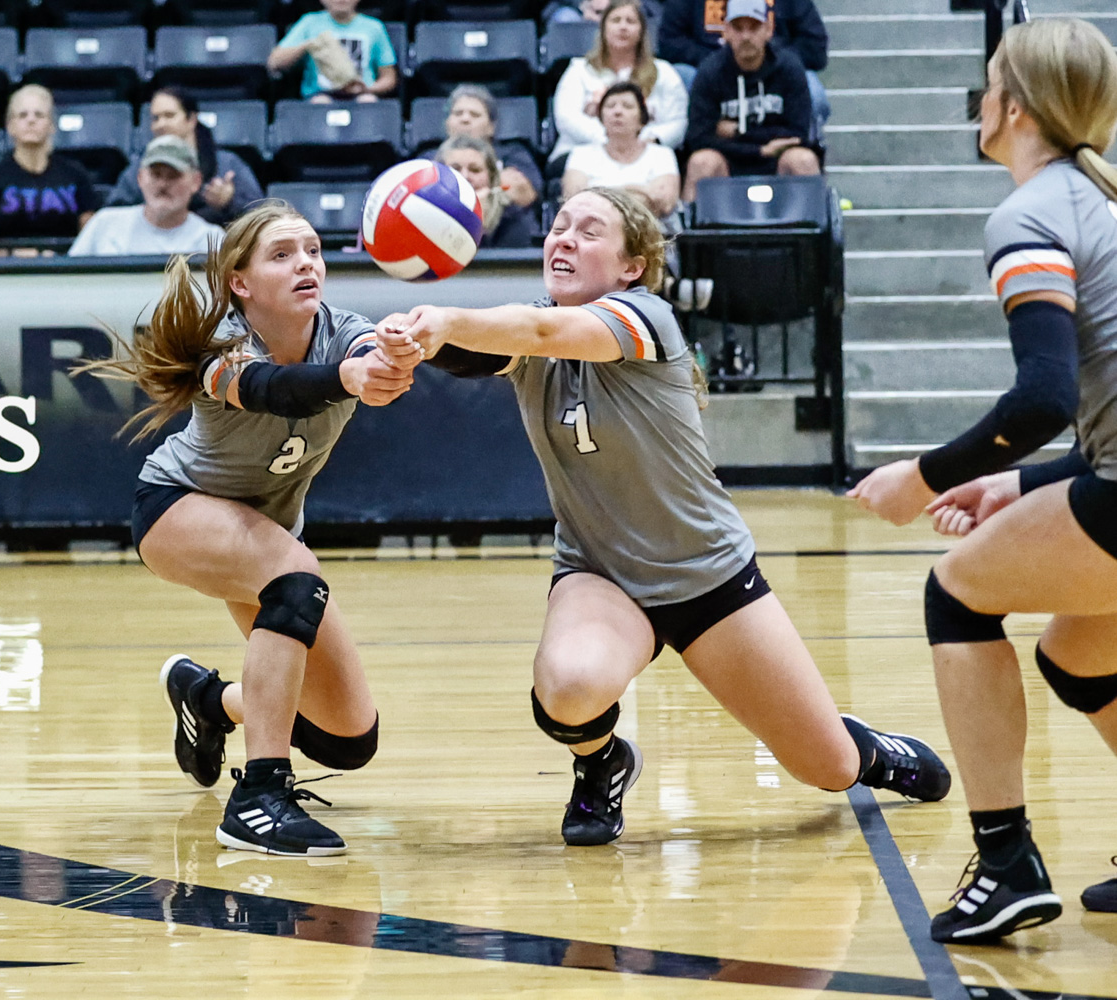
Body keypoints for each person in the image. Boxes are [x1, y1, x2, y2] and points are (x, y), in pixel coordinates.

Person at [377, 187, 951, 849]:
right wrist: (409, 342)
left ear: (632, 267)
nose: (564, 238)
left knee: (827, 769)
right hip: (599, 572)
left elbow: (537, 332)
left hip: (706, 576)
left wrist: (444, 319)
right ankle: (602, 762)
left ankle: (865, 750)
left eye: (588, 231)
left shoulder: (645, 318)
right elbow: (489, 346)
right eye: (559, 226)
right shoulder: (528, 332)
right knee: (571, 687)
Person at [846, 17, 1117, 942]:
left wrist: (920, 479)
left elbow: (1042, 396)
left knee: (956, 594)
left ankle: (1005, 864)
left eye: (990, 85)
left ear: (1016, 108)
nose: (980, 102)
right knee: (1080, 655)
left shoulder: (1031, 213)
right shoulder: (1103, 202)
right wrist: (1023, 485)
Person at [80, 201, 421, 856]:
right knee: (296, 575)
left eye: (313, 251)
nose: (305, 264)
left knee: (348, 738)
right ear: (240, 281)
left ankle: (210, 700)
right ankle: (258, 798)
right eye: (282, 255)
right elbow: (269, 388)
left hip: (267, 534)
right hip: (177, 508)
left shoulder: (345, 331)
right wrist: (350, 378)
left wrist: (391, 363)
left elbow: (367, 356)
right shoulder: (220, 340)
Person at [681, 0, 820, 204]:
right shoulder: (709, 72)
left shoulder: (789, 69)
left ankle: (811, 222)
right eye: (738, 28)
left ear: (769, 29)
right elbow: (698, 138)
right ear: (726, 31)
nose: (746, 36)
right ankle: (689, 224)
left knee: (803, 160)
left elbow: (797, 134)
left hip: (777, 158)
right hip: (728, 158)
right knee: (701, 162)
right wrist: (759, 148)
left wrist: (738, 132)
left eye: (754, 28)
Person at [658, 0, 829, 139]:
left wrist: (771, 60)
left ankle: (807, 153)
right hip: (709, 75)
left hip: (776, 73)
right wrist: (718, 63)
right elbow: (669, 41)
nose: (746, 35)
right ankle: (689, 153)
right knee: (681, 75)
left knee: (814, 93)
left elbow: (814, 47)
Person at [105, 88, 263, 227]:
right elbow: (114, 211)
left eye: (169, 116)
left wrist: (229, 202)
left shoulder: (227, 164)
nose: (161, 124)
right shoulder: (141, 166)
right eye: (156, 118)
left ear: (191, 119)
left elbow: (262, 218)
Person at [551, 0, 688, 159]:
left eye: (630, 21)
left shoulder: (663, 72)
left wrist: (645, 141)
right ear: (603, 29)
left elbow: (677, 123)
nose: (623, 27)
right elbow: (567, 118)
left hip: (646, 154)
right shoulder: (579, 70)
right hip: (583, 153)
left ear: (642, 30)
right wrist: (609, 141)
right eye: (616, 20)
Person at [0, 84, 101, 249]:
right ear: (10, 126)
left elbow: (89, 241)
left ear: (52, 125)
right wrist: (18, 256)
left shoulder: (75, 174)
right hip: (9, 264)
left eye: (39, 115)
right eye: (22, 115)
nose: (31, 120)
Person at [70, 136, 224, 257]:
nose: (163, 184)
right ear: (140, 178)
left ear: (196, 181)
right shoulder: (104, 225)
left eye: (173, 176)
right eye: (156, 175)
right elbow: (70, 280)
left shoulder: (213, 241)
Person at [562, 82, 680, 221]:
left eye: (627, 106)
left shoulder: (662, 155)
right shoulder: (581, 155)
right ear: (601, 118)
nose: (617, 112)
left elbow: (665, 203)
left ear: (642, 119)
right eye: (610, 106)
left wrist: (600, 195)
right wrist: (643, 192)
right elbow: (574, 202)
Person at [268, 0, 398, 104]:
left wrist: (368, 89)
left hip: (361, 95)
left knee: (368, 101)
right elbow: (274, 62)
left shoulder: (374, 27)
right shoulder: (309, 23)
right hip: (320, 95)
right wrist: (307, 45)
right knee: (321, 103)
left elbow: (389, 77)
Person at [442, 85, 541, 212]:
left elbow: (528, 195)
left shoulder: (514, 154)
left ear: (491, 127)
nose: (465, 119)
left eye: (475, 115)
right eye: (458, 113)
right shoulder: (429, 157)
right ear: (447, 123)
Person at [435, 137, 538, 249]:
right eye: (455, 169)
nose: (465, 176)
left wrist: (478, 223)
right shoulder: (428, 213)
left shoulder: (513, 219)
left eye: (475, 170)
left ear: (492, 178)